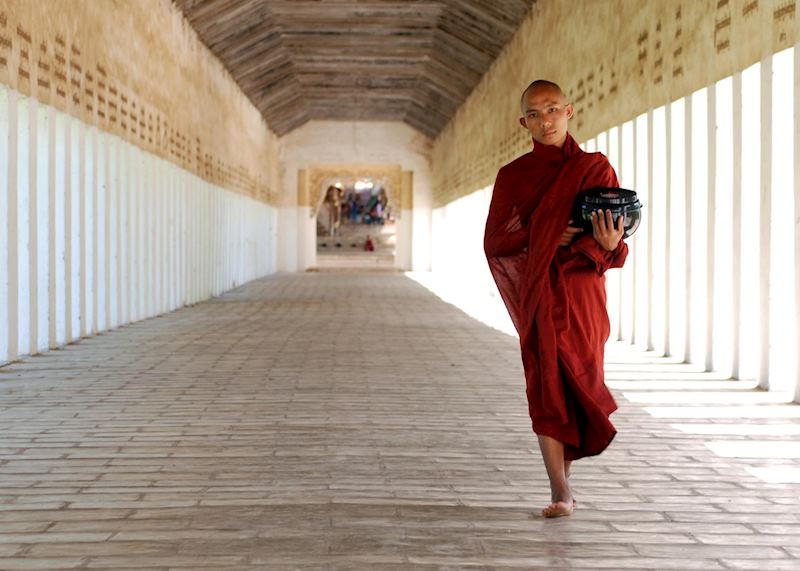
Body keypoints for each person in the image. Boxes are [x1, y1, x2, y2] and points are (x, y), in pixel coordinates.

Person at [483, 79, 627, 518]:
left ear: (569, 111)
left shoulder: (594, 168)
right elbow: (496, 240)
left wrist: (608, 240)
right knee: (546, 382)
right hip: (541, 291)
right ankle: (559, 490)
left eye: (552, 110)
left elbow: (614, 234)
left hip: (583, 293)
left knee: (580, 380)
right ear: (523, 122)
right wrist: (543, 234)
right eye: (535, 113)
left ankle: (566, 480)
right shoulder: (513, 176)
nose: (545, 120)